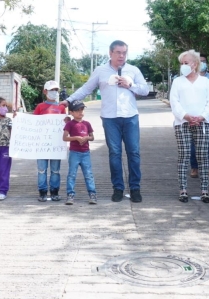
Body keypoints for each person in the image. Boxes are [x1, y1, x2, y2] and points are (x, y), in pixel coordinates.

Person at [60, 40, 149, 203]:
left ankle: (135, 188)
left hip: (130, 117)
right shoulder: (101, 70)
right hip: (110, 118)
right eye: (118, 52)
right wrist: (69, 100)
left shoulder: (133, 70)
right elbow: (87, 88)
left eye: (124, 53)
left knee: (133, 152)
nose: (121, 56)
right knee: (115, 153)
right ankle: (118, 188)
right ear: (110, 53)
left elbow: (145, 90)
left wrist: (131, 85)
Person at [170, 50, 209, 203]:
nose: (183, 66)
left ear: (195, 64)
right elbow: (174, 102)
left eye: (186, 63)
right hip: (182, 123)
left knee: (203, 156)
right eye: (181, 63)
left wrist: (201, 117)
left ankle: (204, 191)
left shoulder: (205, 82)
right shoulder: (177, 81)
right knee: (184, 155)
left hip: (202, 124)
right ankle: (183, 190)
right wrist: (186, 116)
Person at [34, 80, 67, 202]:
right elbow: (33, 124)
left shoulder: (61, 107)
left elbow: (64, 125)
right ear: (45, 91)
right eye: (51, 90)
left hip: (56, 144)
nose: (54, 92)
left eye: (56, 90)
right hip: (42, 143)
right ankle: (42, 192)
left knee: (55, 170)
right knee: (42, 170)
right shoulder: (40, 107)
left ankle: (54, 191)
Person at [189, 53, 209, 179]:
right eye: (199, 61)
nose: (202, 63)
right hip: (193, 114)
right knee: (193, 142)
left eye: (204, 61)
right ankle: (194, 168)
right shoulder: (189, 79)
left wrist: (207, 111)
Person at [63, 100, 97, 205]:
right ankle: (70, 195)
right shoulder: (69, 124)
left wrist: (87, 137)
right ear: (71, 112)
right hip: (74, 153)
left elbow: (92, 137)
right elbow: (65, 138)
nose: (80, 112)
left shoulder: (87, 124)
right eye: (77, 110)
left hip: (85, 152)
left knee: (88, 174)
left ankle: (92, 194)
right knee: (72, 174)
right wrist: (76, 138)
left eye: (81, 109)